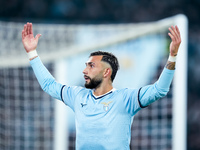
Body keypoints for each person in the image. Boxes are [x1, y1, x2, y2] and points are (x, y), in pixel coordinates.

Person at [22, 22, 181, 150]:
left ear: (106, 72)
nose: (84, 70)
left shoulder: (126, 98)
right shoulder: (77, 96)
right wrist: (32, 53)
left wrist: (172, 56)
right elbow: (49, 85)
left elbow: (160, 90)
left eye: (91, 66)